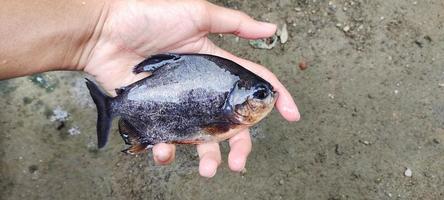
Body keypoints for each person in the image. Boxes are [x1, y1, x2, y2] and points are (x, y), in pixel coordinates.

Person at [0, 0, 300, 178]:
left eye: (261, 94)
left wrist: (97, 28)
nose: (267, 97)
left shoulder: (228, 108)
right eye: (259, 94)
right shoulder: (226, 115)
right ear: (239, 98)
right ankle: (115, 110)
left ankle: (117, 112)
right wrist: (98, 27)